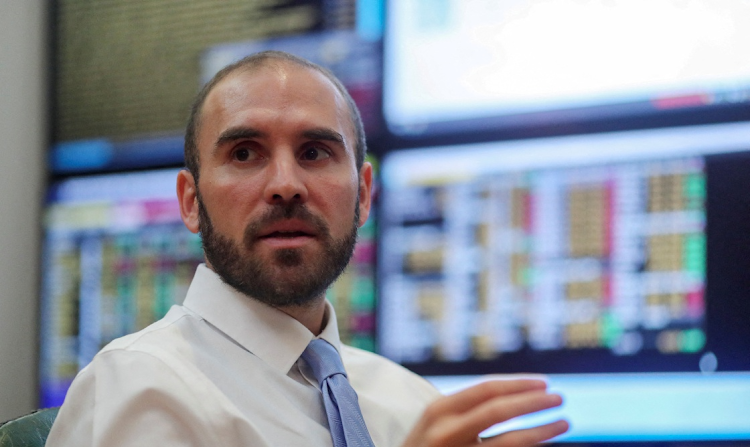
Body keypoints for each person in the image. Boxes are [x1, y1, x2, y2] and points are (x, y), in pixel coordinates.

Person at [46, 51, 568, 447]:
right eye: (245, 153)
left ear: (363, 195)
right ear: (190, 201)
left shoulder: (410, 404)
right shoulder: (138, 386)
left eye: (315, 152)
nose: (285, 184)